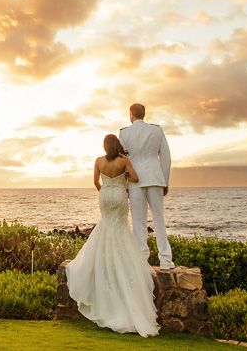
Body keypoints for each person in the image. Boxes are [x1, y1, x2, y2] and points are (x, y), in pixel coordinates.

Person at [65, 134, 160, 337]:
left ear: (104, 146)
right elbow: (136, 178)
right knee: (119, 228)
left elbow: (95, 182)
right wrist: (124, 178)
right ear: (117, 146)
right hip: (118, 196)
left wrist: (104, 189)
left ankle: (104, 263)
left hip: (105, 196)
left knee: (106, 226)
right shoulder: (123, 161)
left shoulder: (98, 161)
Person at [119, 103, 174, 270]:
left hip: (135, 180)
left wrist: (125, 184)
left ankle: (142, 259)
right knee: (159, 219)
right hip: (155, 178)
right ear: (144, 114)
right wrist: (165, 180)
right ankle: (165, 259)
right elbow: (166, 157)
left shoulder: (124, 133)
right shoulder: (157, 130)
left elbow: (122, 160)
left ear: (131, 115)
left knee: (138, 221)